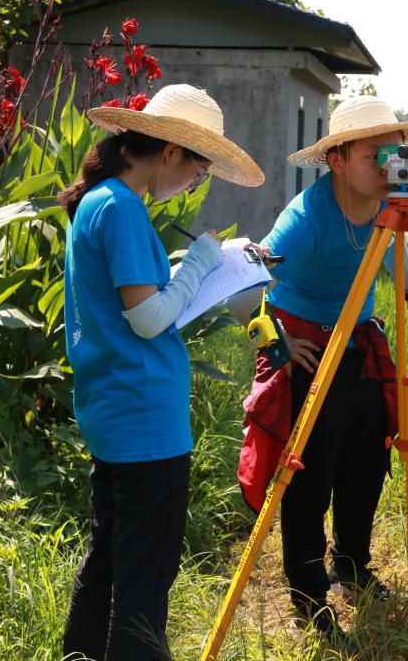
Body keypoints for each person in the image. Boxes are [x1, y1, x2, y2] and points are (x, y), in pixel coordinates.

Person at [59, 84, 264, 661]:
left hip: (113, 410)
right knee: (144, 579)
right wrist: (201, 262)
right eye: (198, 172)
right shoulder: (122, 208)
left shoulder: (100, 201)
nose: (194, 185)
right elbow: (149, 318)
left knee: (110, 561)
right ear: (170, 152)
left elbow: (131, 303)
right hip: (146, 419)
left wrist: (187, 272)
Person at [236, 95, 408, 646]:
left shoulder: (385, 206)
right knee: (309, 471)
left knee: (365, 457)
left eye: (394, 154)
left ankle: (351, 563)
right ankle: (307, 594)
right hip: (304, 344)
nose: (388, 166)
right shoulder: (305, 219)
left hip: (357, 340)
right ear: (337, 160)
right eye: (375, 154)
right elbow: (253, 278)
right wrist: (276, 343)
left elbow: (393, 254)